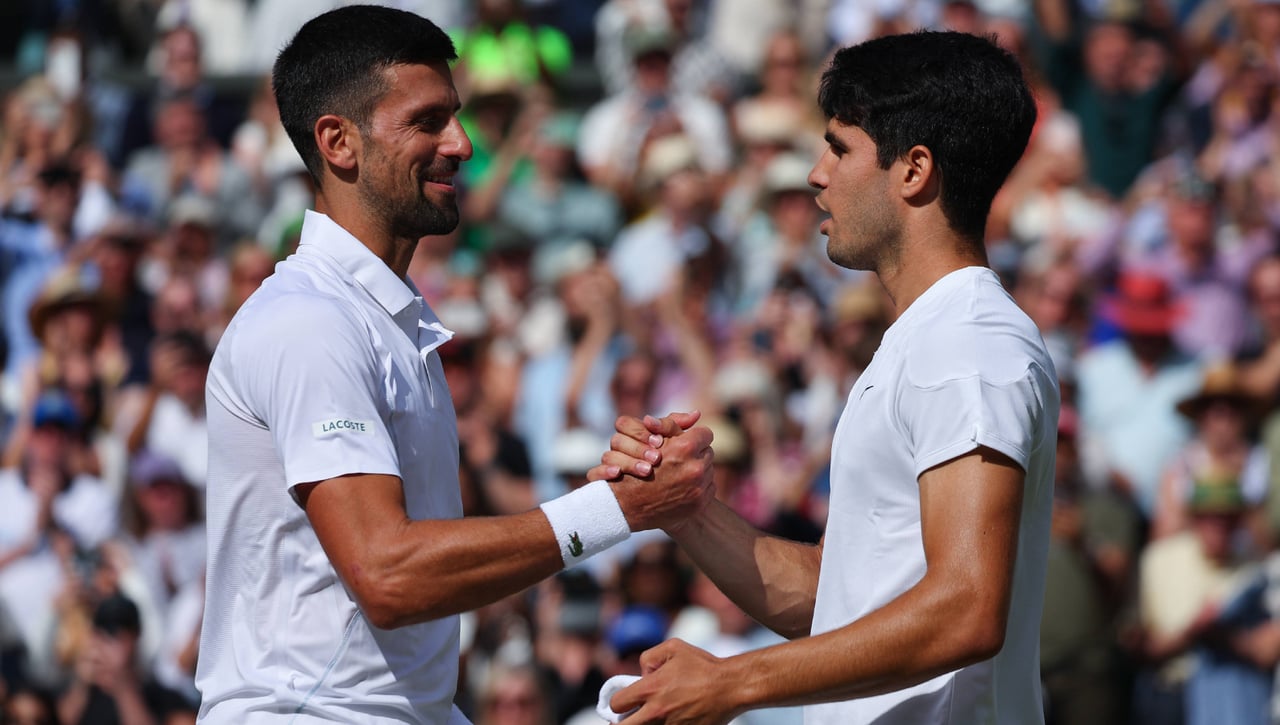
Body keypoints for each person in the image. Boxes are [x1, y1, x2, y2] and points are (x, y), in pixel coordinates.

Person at [194, 6, 714, 723]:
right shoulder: (308, 322)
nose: (462, 144)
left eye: (456, 117)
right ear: (337, 142)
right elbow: (387, 571)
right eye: (428, 121)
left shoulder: (384, 320)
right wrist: (614, 508)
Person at [594, 31, 1059, 723]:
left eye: (839, 148)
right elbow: (837, 601)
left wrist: (732, 681)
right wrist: (688, 511)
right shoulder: (929, 341)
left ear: (913, 170)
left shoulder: (966, 345)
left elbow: (966, 608)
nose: (816, 174)